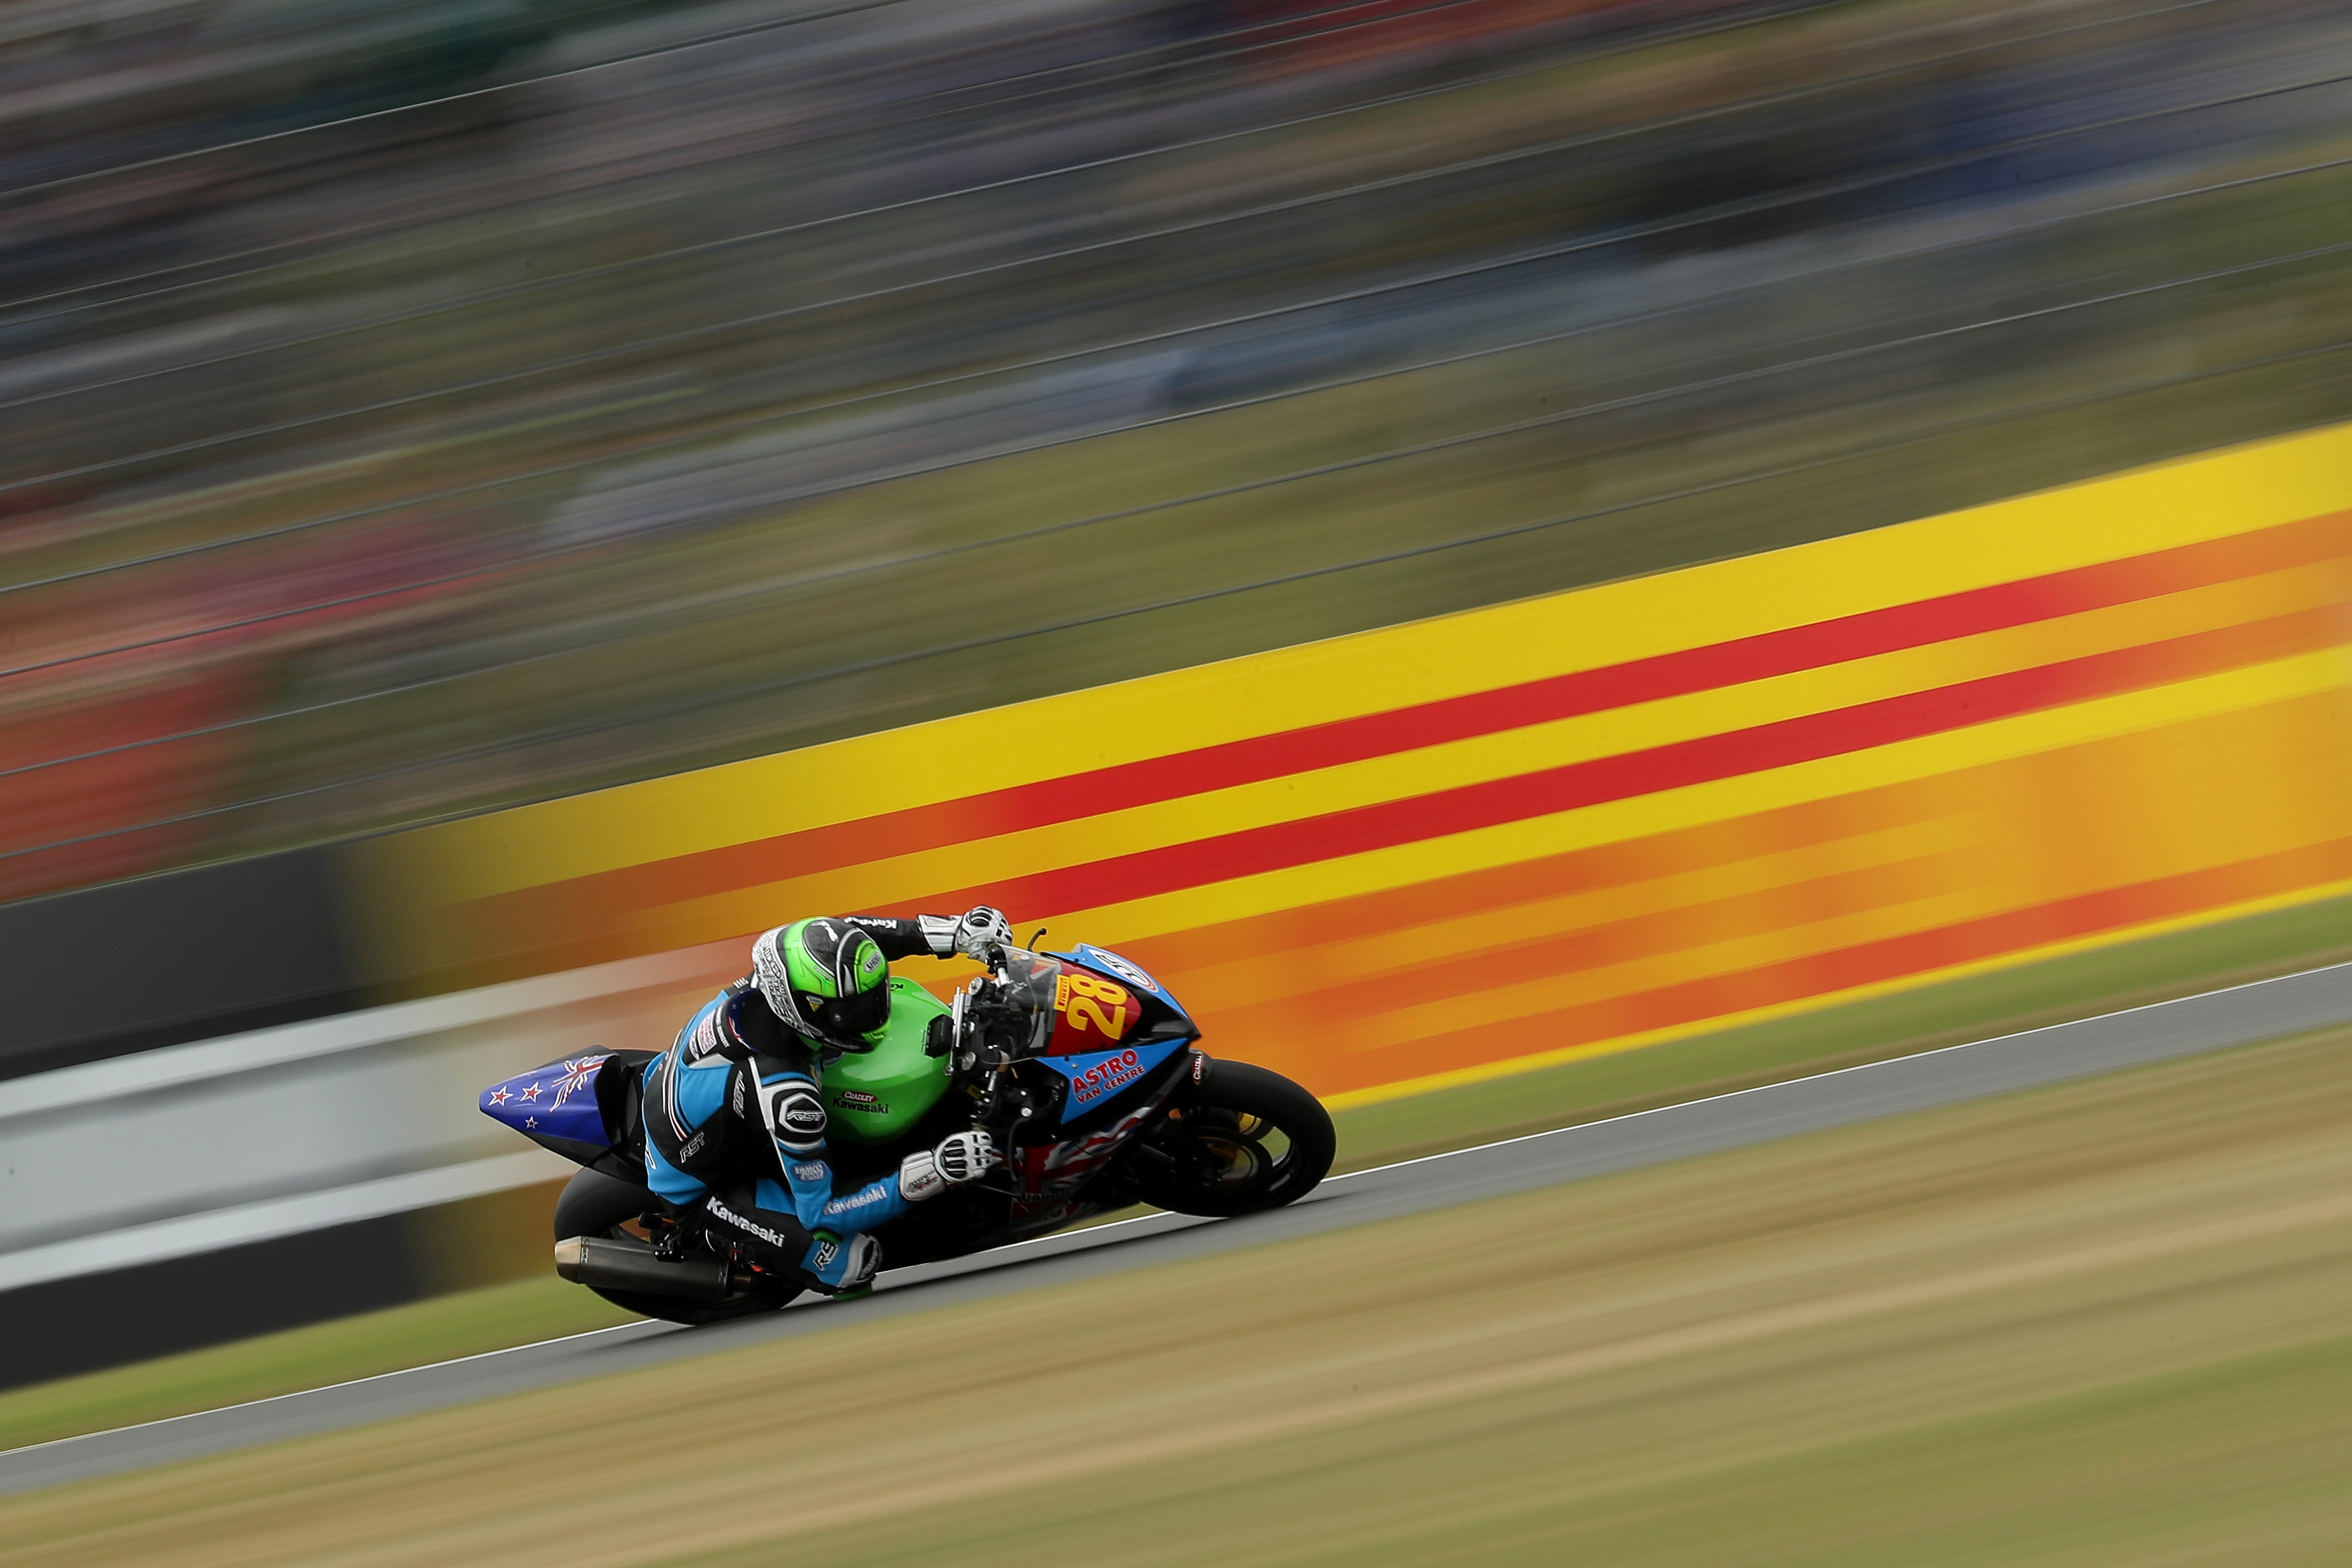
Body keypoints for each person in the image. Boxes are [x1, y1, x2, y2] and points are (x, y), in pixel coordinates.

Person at [640, 907, 1015, 1297]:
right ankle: (729, 1242)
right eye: (851, 1011)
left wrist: (955, 931)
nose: (873, 1012)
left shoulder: (787, 966)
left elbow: (856, 938)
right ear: (804, 1010)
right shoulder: (789, 1097)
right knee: (854, 1264)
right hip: (700, 1183)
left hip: (694, 1094)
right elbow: (824, 1212)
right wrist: (935, 1170)